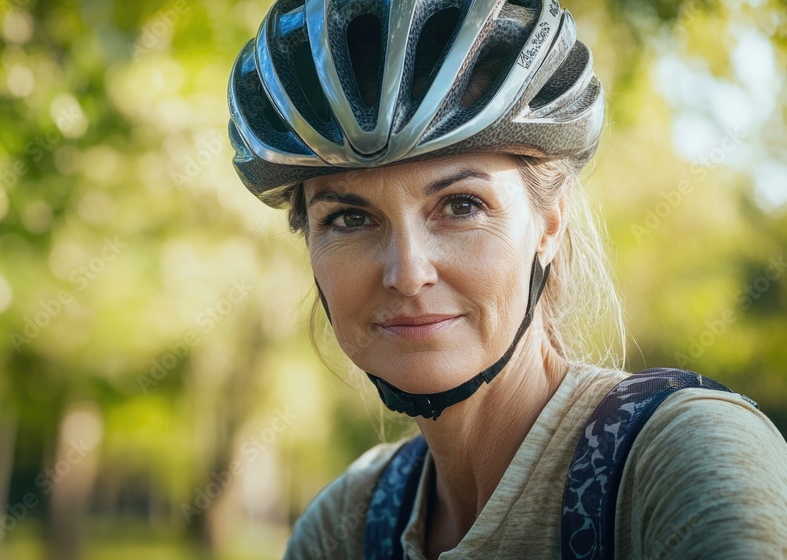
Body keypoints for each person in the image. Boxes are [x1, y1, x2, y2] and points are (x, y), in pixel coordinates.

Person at [226, 0, 787, 558]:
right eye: (349, 219)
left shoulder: (678, 461)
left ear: (550, 222)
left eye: (461, 205)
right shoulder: (346, 527)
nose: (408, 273)